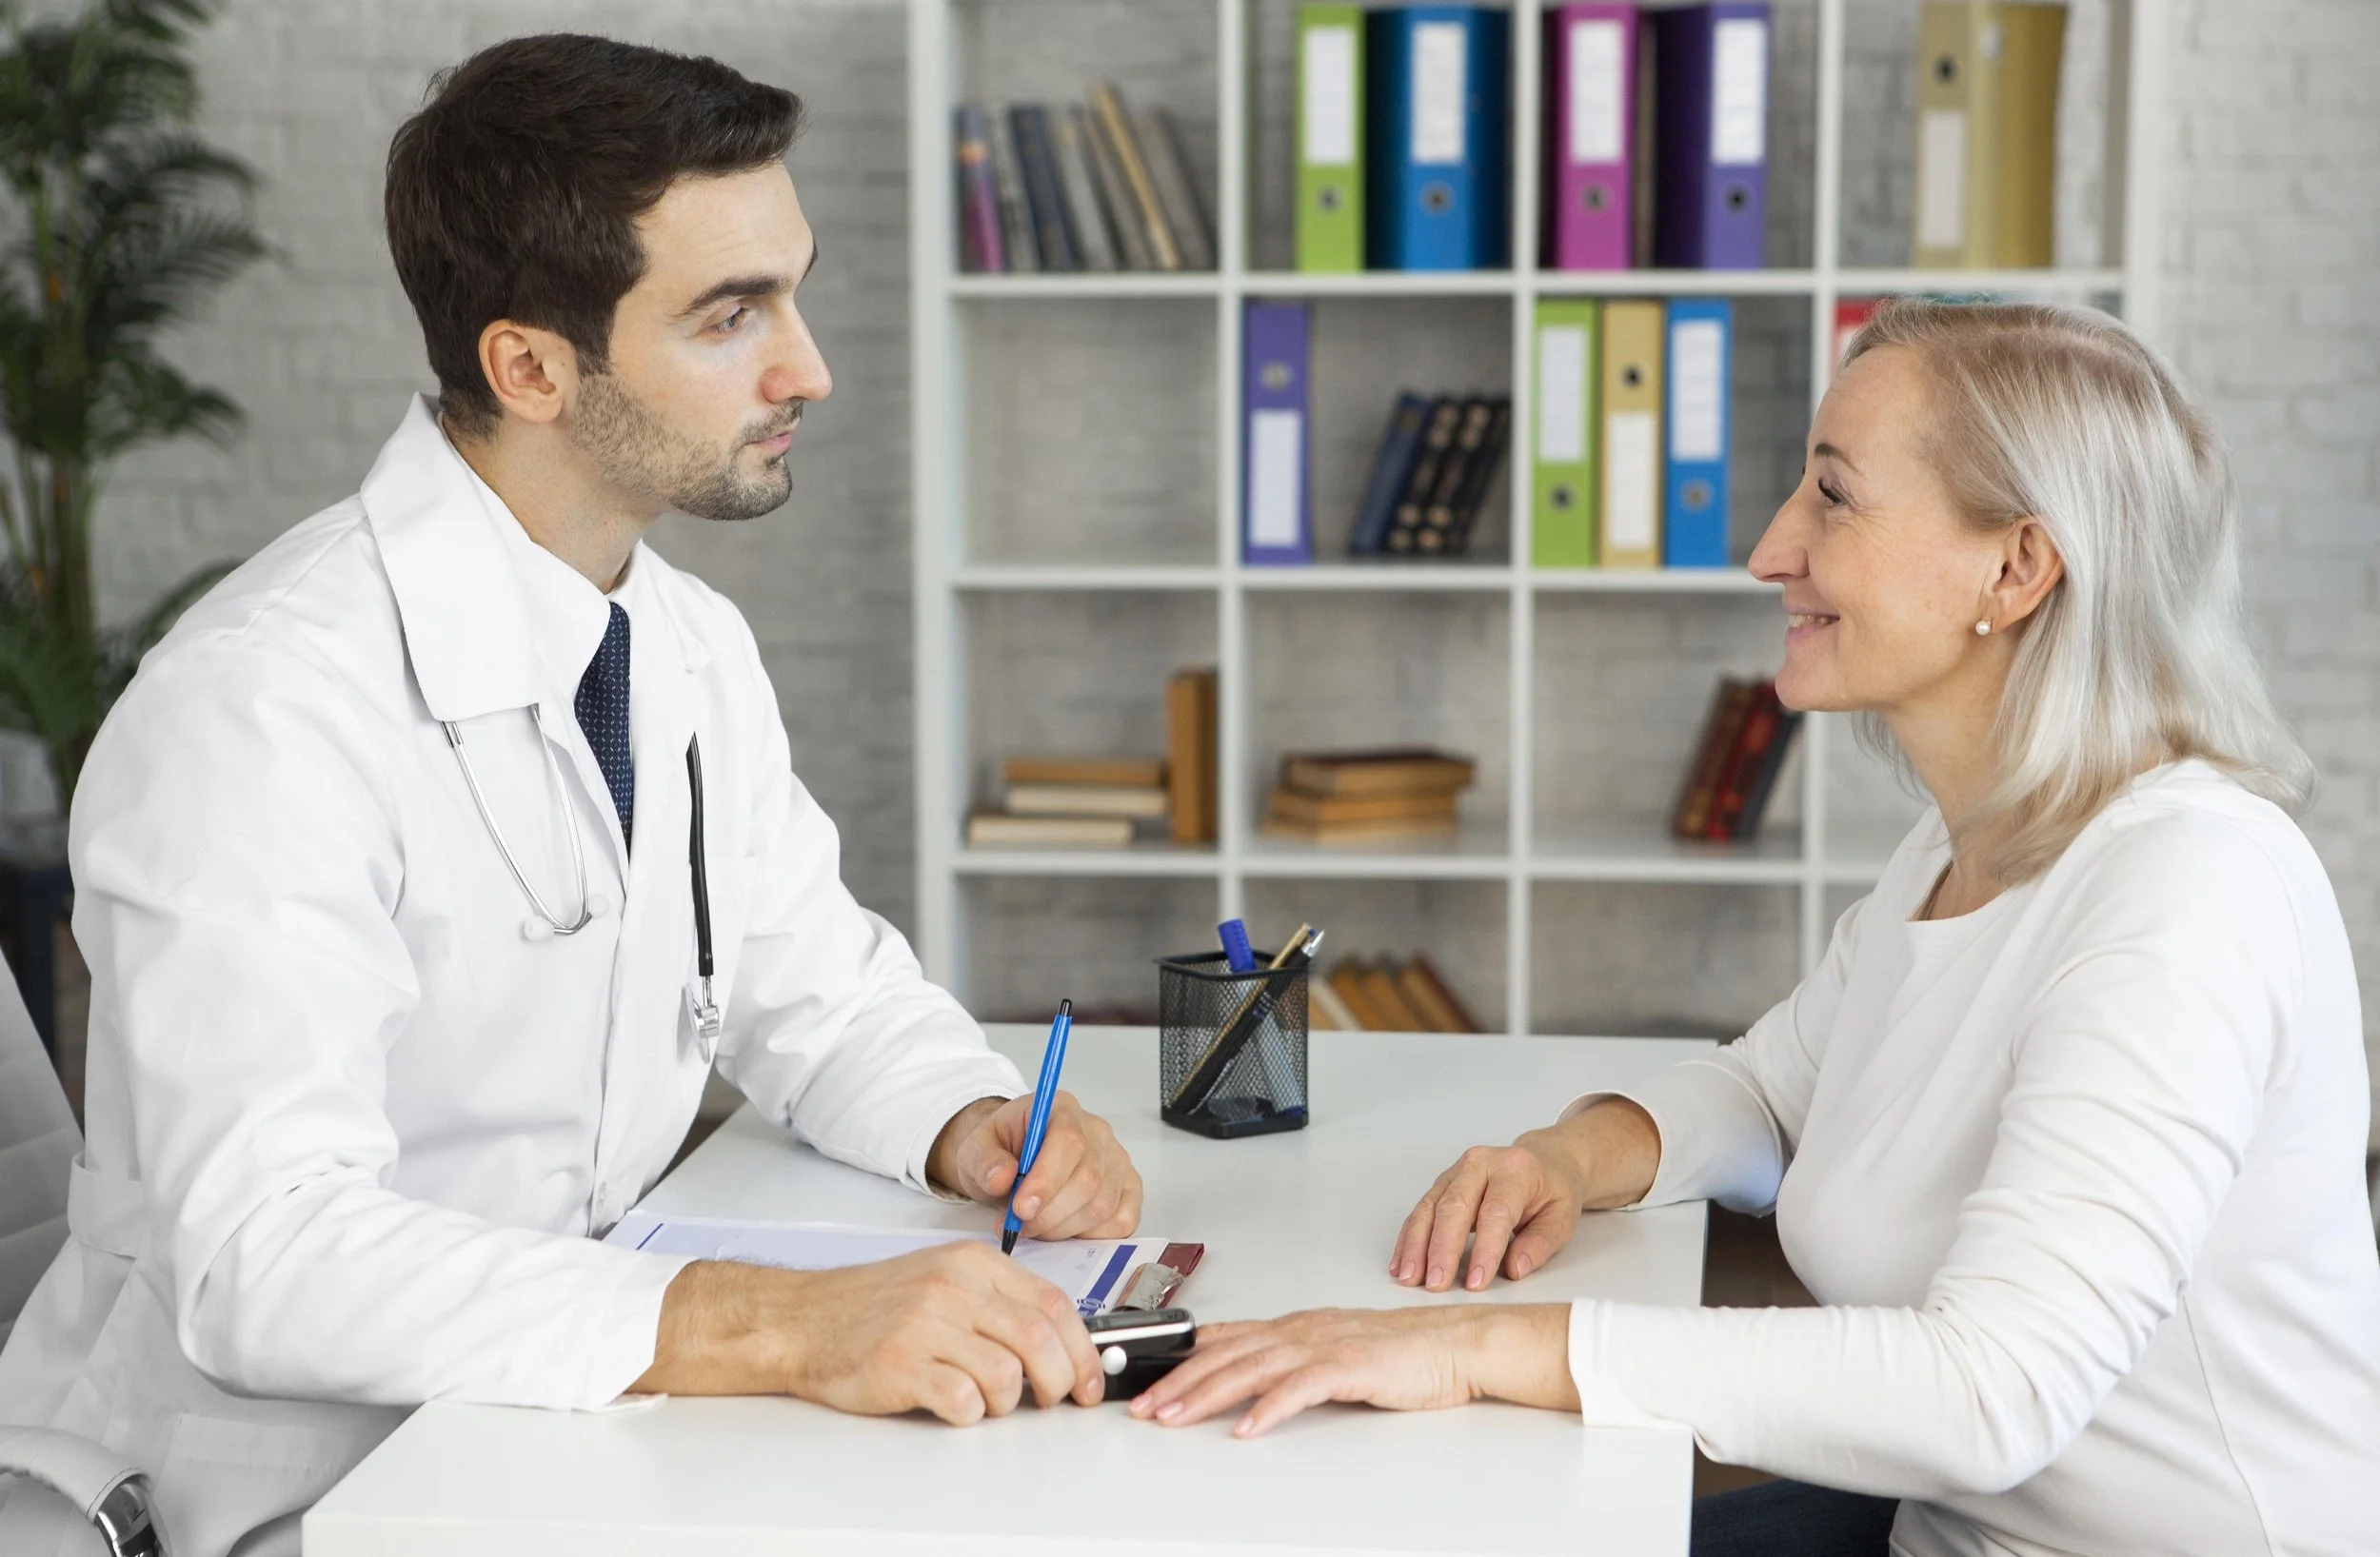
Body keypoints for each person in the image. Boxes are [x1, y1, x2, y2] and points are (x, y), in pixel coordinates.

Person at [0, 34, 1142, 1557]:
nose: (810, 367)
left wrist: (972, 1118)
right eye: (733, 317)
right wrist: (782, 1328)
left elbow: (815, 987)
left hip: (542, 1425)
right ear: (528, 366)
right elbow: (265, 1257)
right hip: (280, 1489)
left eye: (792, 292)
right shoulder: (263, 709)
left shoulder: (676, 643)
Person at [1130, 300, 2380, 1557]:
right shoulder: (1960, 850)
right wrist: (1573, 1156)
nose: (1770, 546)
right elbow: (1772, 1095)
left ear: (2017, 567)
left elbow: (1993, 1393)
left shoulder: (2189, 889)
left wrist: (1477, 1346)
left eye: (1834, 497)